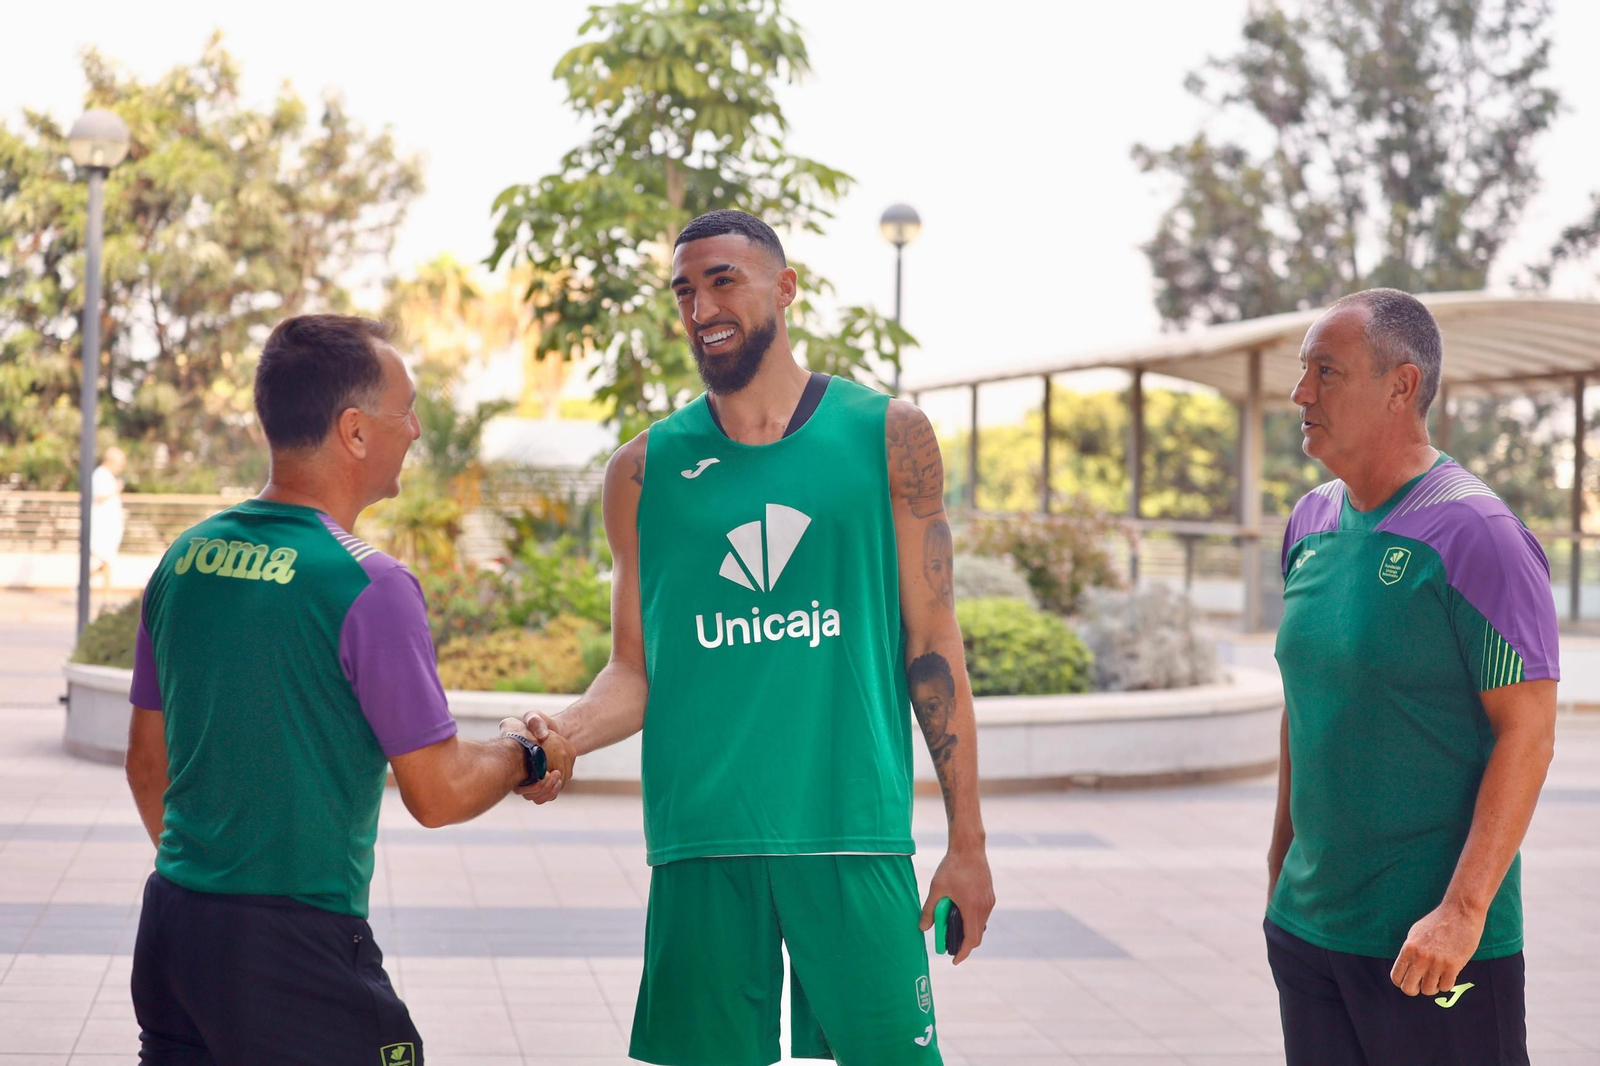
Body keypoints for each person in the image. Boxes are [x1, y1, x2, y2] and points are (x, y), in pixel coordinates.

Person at [517, 209, 995, 1066]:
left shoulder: (889, 435)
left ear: (786, 288)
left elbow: (932, 643)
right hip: (702, 841)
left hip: (852, 830)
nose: (701, 306)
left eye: (723, 280)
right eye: (684, 290)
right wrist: (564, 736)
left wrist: (968, 843)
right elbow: (635, 669)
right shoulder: (642, 471)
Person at [123, 314, 575, 1066]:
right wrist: (525, 751)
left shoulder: (185, 559)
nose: (419, 430)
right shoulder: (368, 582)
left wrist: (214, 888)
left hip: (174, 925)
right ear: (356, 431)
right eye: (407, 411)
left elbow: (146, 764)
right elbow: (439, 791)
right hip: (294, 946)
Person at [1268, 289, 1559, 1066]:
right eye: (1304, 372)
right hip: (1310, 935)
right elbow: (1306, 703)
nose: (1302, 394)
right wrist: (1279, 870)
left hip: (1434, 952)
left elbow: (1527, 734)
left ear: (1402, 386)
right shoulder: (1309, 524)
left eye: (1326, 372)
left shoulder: (1479, 535)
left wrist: (1461, 915)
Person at [89, 444, 126, 599]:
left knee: (105, 562)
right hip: (103, 528)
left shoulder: (108, 476)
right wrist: (116, 488)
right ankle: (107, 597)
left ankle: (103, 595)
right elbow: (100, 496)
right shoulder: (100, 475)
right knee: (106, 561)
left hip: (110, 527)